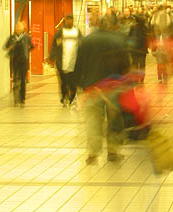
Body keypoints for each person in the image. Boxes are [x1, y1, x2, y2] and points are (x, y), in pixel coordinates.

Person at [74, 15, 130, 164]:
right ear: (112, 25)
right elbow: (125, 65)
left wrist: (79, 84)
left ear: (98, 24)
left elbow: (78, 63)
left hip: (92, 88)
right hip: (113, 87)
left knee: (93, 120)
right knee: (114, 120)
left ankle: (93, 154)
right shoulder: (119, 40)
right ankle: (113, 151)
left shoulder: (86, 40)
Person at [49, 15, 82, 107]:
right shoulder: (61, 32)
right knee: (64, 81)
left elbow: (82, 43)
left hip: (74, 62)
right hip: (62, 62)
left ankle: (72, 97)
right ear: (65, 21)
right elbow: (55, 44)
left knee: (73, 81)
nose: (69, 22)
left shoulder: (77, 32)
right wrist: (52, 56)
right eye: (68, 20)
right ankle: (64, 97)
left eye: (71, 20)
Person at [4, 21, 34, 106]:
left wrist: (27, 52)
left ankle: (22, 99)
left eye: (19, 28)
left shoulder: (26, 37)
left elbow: (32, 46)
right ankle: (16, 99)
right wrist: (11, 47)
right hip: (15, 61)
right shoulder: (12, 38)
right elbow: (5, 46)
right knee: (15, 80)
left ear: (22, 29)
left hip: (23, 61)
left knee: (22, 80)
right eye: (17, 27)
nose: (18, 29)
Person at [128, 14, 148, 81]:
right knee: (142, 64)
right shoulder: (145, 28)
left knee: (135, 63)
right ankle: (142, 78)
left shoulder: (133, 27)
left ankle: (136, 78)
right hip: (142, 49)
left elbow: (129, 37)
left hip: (134, 49)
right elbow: (147, 38)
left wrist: (129, 46)